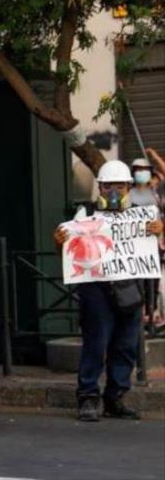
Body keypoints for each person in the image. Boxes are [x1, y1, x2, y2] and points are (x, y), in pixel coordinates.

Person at [55, 160, 163, 421]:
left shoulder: (142, 216)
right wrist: (60, 243)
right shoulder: (85, 215)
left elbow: (153, 246)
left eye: (119, 186)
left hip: (130, 287)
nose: (113, 191)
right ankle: (88, 397)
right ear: (100, 188)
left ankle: (115, 397)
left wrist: (158, 231)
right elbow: (70, 250)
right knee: (96, 343)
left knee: (125, 345)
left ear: (128, 187)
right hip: (96, 289)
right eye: (107, 186)